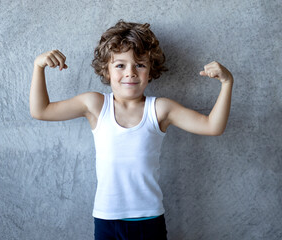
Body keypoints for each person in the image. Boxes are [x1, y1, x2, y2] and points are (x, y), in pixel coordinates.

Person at [30, 20, 233, 240]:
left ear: (150, 70)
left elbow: (213, 126)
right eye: (120, 65)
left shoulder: (160, 109)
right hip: (107, 219)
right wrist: (38, 66)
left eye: (140, 65)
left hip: (150, 220)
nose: (130, 72)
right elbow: (41, 111)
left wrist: (227, 83)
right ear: (106, 70)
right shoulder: (95, 105)